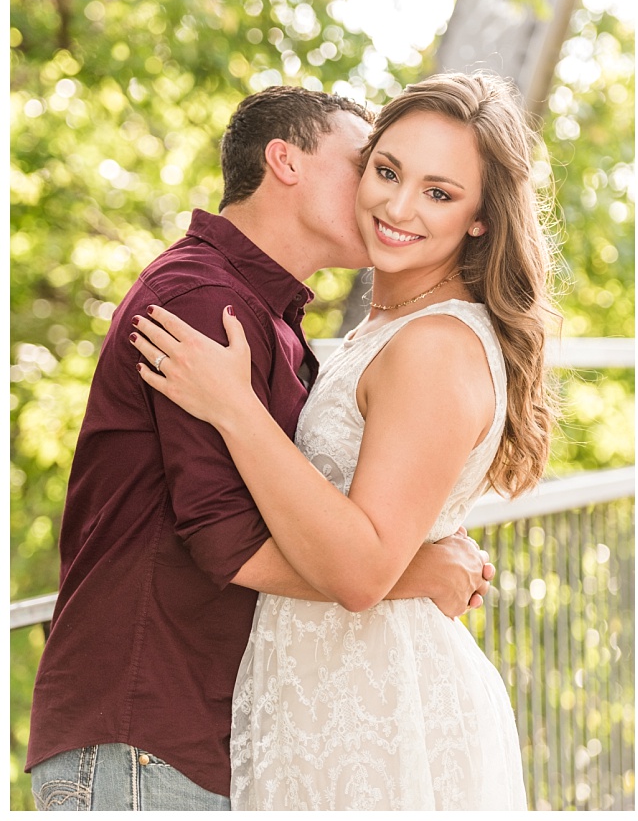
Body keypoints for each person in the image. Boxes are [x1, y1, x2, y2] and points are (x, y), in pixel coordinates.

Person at [26, 86, 492, 811]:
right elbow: (225, 542)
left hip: (195, 734)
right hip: (142, 729)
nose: (383, 198)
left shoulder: (270, 317)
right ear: (286, 162)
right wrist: (413, 570)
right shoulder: (199, 301)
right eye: (371, 165)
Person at [127, 72, 556, 809]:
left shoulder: (435, 345)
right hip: (318, 690)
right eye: (386, 172)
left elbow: (360, 570)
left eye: (439, 193)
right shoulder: (377, 331)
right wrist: (421, 567)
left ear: (481, 218)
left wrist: (235, 408)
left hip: (376, 709)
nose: (396, 206)